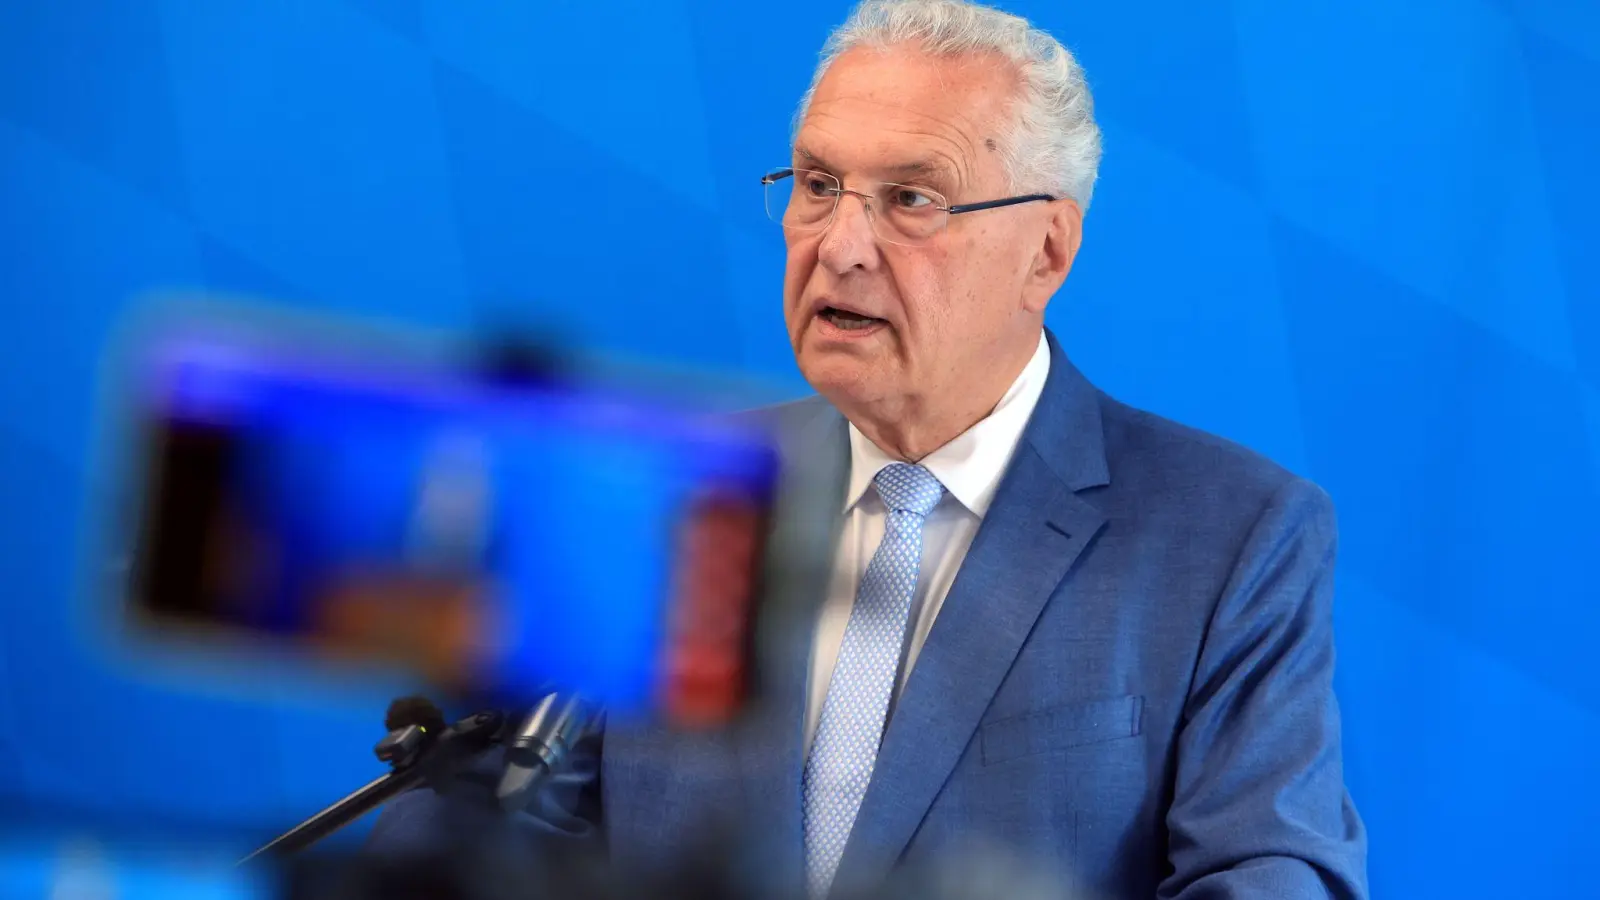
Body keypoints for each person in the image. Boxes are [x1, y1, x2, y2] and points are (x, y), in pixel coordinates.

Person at [369, 1, 1369, 897]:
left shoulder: (1231, 536)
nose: (839, 245)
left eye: (910, 199)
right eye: (817, 185)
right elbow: (501, 821)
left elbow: (1270, 874)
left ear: (1047, 252)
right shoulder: (675, 492)